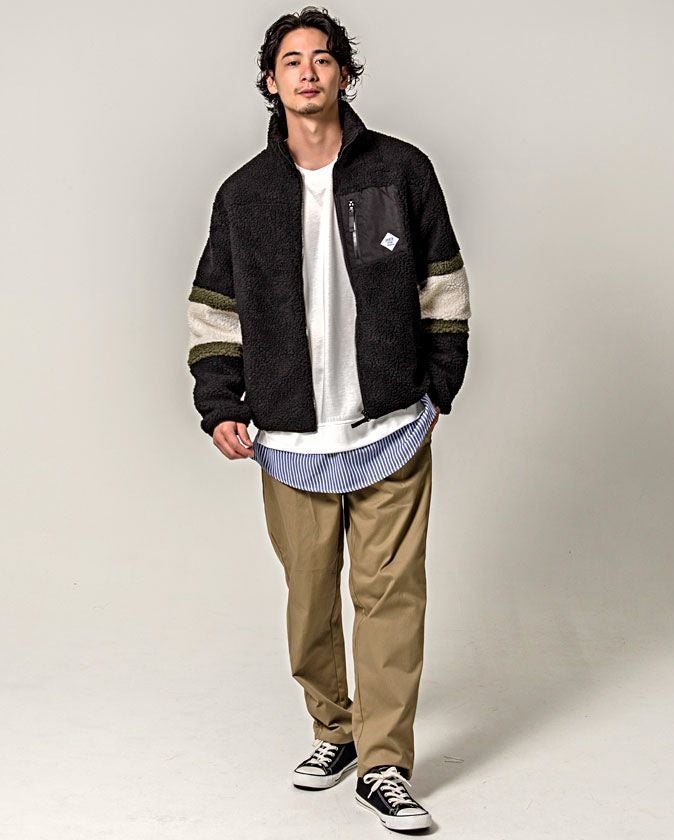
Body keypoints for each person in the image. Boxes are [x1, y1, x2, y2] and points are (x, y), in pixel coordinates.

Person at [186, 6, 470, 833]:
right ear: (271, 81)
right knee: (310, 603)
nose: (307, 72)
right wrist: (220, 405)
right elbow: (215, 309)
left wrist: (437, 389)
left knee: (391, 599)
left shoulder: (401, 171)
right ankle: (335, 729)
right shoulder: (244, 194)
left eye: (322, 58)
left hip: (389, 426)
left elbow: (443, 285)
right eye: (291, 61)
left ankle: (384, 765)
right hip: (289, 434)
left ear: (345, 73)